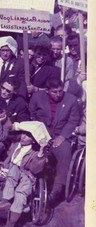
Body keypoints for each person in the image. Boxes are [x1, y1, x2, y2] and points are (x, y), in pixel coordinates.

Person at [29, 78, 80, 206]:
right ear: (47, 91)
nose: (58, 94)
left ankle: (57, 188)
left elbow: (73, 120)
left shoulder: (71, 100)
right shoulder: (37, 97)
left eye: (60, 91)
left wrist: (62, 136)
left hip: (59, 134)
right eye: (54, 92)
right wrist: (37, 131)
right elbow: (32, 113)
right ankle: (29, 185)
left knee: (65, 152)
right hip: (40, 134)